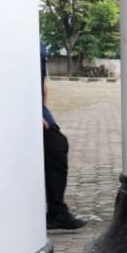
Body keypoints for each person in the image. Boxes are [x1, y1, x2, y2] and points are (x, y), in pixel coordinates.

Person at [41, 40, 88, 230]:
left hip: (38, 108)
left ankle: (56, 211)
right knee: (56, 147)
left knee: (56, 147)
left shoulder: (40, 43)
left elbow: (40, 79)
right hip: (28, 108)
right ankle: (56, 212)